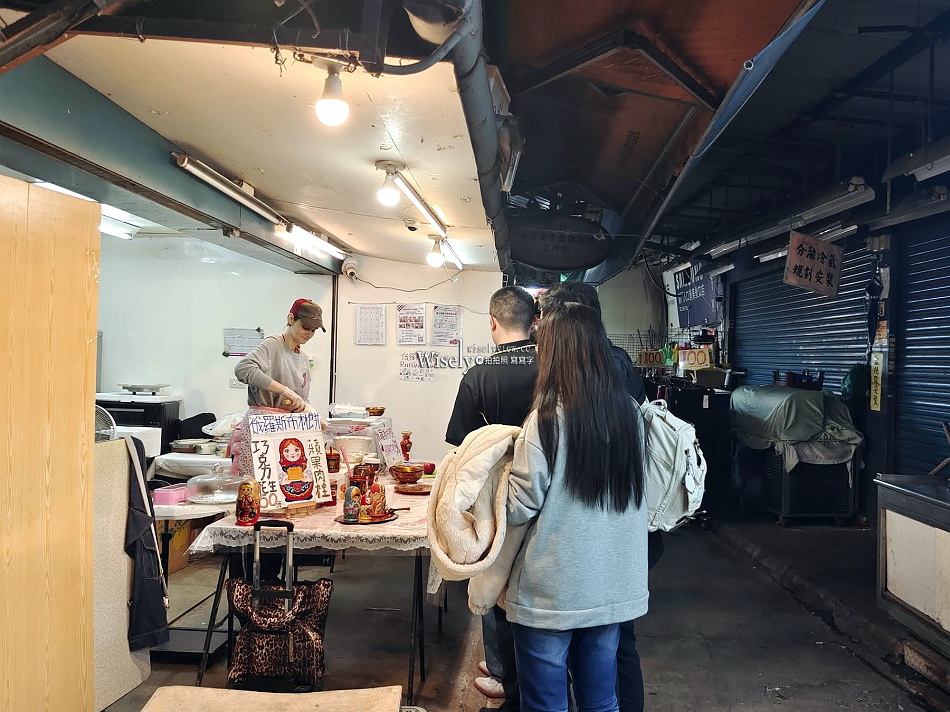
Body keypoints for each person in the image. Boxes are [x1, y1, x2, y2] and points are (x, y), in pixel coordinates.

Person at [504, 301, 648, 712]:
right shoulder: (629, 416)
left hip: (554, 589)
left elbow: (520, 506)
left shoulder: (546, 419)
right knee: (602, 701)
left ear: (553, 351)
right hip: (609, 586)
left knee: (547, 704)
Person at [539, 282, 660, 712]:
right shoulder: (622, 371)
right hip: (618, 543)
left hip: (577, 547)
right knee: (613, 651)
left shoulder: (560, 396)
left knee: (575, 658)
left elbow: (532, 493)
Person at [445, 285, 538, 706]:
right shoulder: (556, 367)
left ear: (493, 322)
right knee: (535, 578)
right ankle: (532, 667)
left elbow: (461, 445)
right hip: (545, 487)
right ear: (535, 322)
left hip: (496, 494)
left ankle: (503, 670)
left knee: (494, 573)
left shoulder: (479, 374)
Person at [234, 298, 325, 413]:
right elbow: (243, 369)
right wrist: (285, 391)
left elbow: (303, 399)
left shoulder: (303, 358)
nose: (309, 334)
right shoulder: (274, 345)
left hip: (289, 423)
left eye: (314, 330)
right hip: (264, 423)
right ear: (291, 319)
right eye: (306, 327)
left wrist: (311, 414)